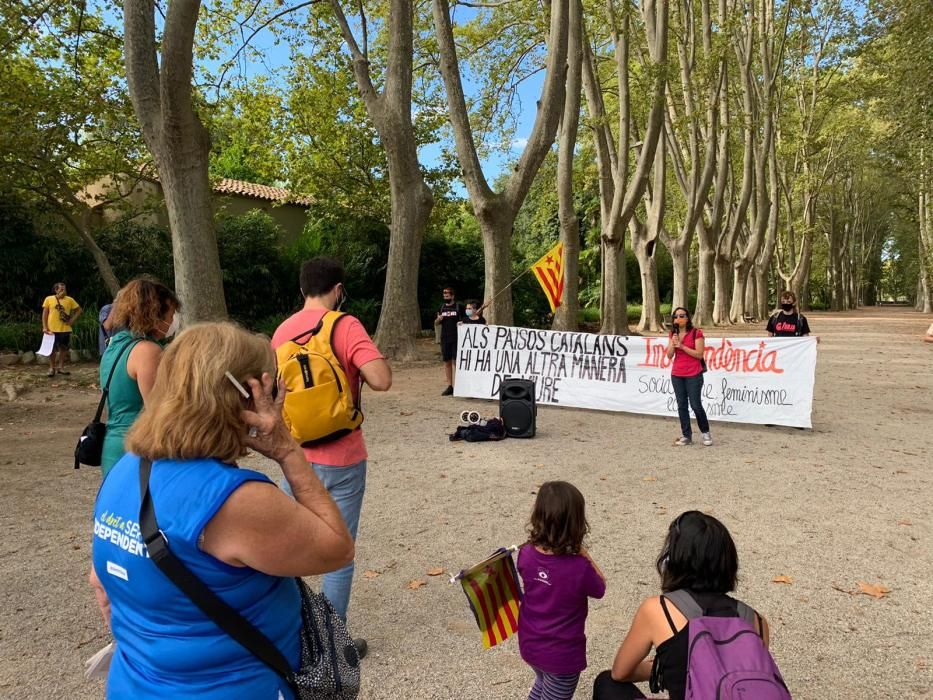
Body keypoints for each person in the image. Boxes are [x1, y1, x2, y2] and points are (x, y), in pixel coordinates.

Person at [89, 323, 354, 699]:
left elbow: (100, 584)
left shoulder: (125, 471)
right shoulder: (235, 500)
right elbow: (337, 547)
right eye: (273, 387)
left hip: (133, 685)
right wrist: (287, 451)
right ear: (247, 398)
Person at [272, 256, 391, 657]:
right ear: (338, 289)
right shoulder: (345, 324)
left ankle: (291, 635)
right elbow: (381, 379)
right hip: (343, 455)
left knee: (291, 548)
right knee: (339, 551)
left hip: (296, 458)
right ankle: (334, 645)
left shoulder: (281, 332)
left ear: (303, 288)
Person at [592, 511, 771, 700]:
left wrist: (668, 669)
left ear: (673, 559)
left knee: (607, 683)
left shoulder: (658, 609)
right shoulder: (756, 621)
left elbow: (621, 672)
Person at [517, 481, 606, 700]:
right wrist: (584, 554)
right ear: (576, 522)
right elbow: (600, 587)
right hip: (561, 655)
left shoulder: (526, 553)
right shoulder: (578, 567)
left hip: (530, 644)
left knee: (541, 683)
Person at [98, 279, 180, 480]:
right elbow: (158, 410)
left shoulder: (115, 345)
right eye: (171, 314)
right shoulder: (147, 351)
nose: (173, 321)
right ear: (154, 314)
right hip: (137, 448)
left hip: (114, 444)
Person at [666, 307, 711, 446]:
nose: (678, 318)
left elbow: (699, 354)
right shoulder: (673, 333)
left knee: (696, 405)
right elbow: (669, 355)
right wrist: (674, 344)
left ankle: (705, 433)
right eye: (676, 316)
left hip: (693, 374)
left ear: (687, 318)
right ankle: (687, 435)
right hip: (677, 374)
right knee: (681, 405)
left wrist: (682, 346)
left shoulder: (696, 333)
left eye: (682, 315)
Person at [41, 282, 82, 377]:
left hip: (65, 328)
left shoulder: (70, 300)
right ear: (56, 290)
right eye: (61, 289)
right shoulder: (49, 299)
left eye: (65, 289)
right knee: (51, 350)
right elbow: (44, 314)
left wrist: (72, 320)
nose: (63, 291)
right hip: (51, 329)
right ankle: (52, 368)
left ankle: (61, 367)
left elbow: (79, 310)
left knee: (63, 349)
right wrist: (44, 327)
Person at [435, 286, 465, 395]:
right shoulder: (441, 307)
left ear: (452, 296)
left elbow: (466, 319)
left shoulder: (459, 307)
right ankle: (450, 386)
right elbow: (436, 323)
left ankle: (461, 385)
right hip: (445, 338)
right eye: (444, 296)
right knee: (447, 362)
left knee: (456, 362)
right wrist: (438, 319)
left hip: (457, 338)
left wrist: (462, 322)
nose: (445, 297)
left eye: (447, 296)